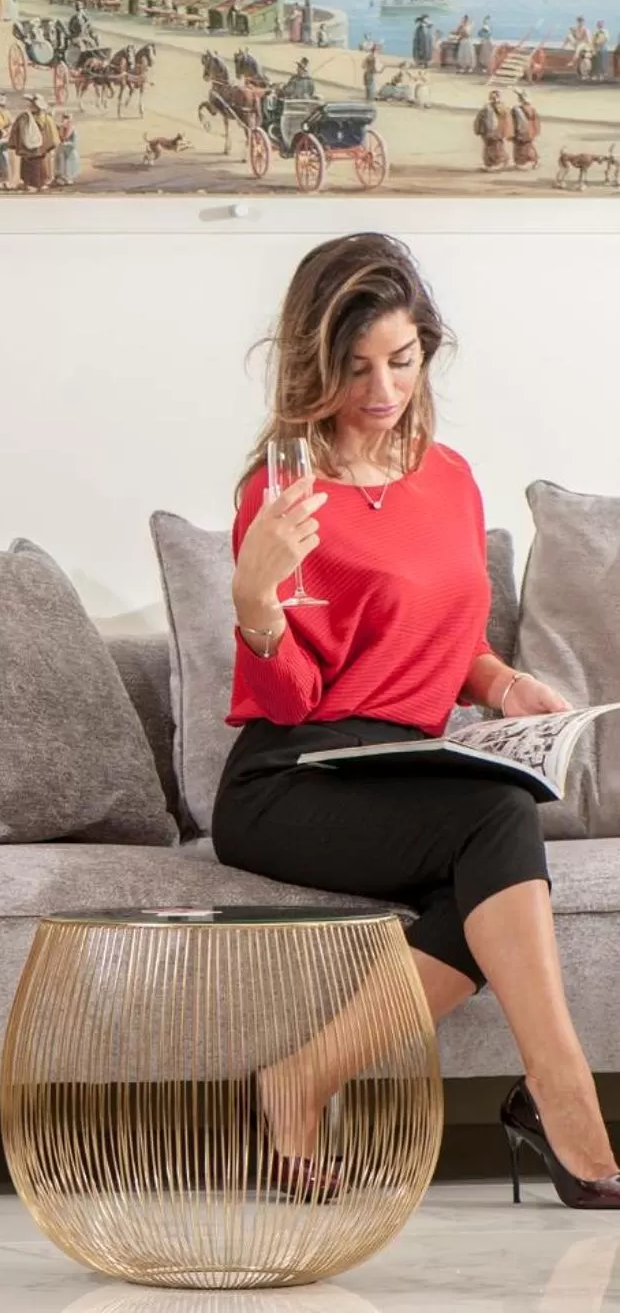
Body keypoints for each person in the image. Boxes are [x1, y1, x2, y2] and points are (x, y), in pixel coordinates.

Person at [214, 232, 619, 1205]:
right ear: (317, 363)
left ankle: (297, 1080)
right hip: (290, 775)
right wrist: (253, 606)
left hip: (400, 764)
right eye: (355, 368)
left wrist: (497, 685)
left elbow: (438, 636)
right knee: (495, 820)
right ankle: (566, 1110)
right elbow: (292, 696)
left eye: (400, 361)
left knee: (485, 855)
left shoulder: (448, 478)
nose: (381, 388)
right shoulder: (280, 494)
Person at [9, 94, 55, 192]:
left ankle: (36, 183)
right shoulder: (29, 117)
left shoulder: (26, 117)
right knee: (34, 164)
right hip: (34, 148)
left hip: (35, 148)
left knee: (35, 164)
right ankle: (34, 183)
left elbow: (16, 130)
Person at [473, 89, 507, 170]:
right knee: (491, 148)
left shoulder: (498, 108)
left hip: (494, 132)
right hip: (490, 132)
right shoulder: (487, 109)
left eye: (495, 97)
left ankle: (497, 163)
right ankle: (491, 164)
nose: (494, 99)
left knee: (495, 148)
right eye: (493, 98)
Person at [511, 90, 541, 168]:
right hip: (529, 131)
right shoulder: (532, 109)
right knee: (529, 146)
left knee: (520, 147)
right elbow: (536, 121)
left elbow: (512, 122)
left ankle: (521, 162)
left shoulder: (516, 110)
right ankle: (534, 160)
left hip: (520, 131)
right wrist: (536, 131)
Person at [53, 108, 81, 186]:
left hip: (70, 150)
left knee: (68, 164)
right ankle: (61, 177)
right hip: (62, 149)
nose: (65, 120)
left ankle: (68, 178)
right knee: (61, 162)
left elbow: (74, 142)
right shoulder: (61, 127)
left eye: (67, 118)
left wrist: (66, 143)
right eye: (64, 118)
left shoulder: (72, 128)